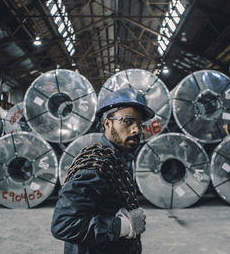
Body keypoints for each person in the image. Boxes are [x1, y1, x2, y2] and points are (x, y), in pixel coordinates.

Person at [51, 88, 155, 254]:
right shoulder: (94, 168)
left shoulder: (116, 161)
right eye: (128, 121)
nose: (136, 130)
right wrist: (119, 226)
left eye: (139, 124)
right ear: (107, 123)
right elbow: (63, 224)